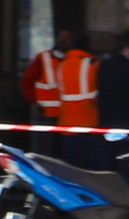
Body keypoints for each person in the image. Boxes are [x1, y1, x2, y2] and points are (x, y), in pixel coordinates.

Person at [21, 28, 101, 165]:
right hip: (48, 116)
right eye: (62, 37)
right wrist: (34, 103)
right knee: (46, 156)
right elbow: (27, 81)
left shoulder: (69, 62)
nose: (65, 41)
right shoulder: (44, 59)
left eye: (68, 38)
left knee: (61, 159)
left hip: (65, 118)